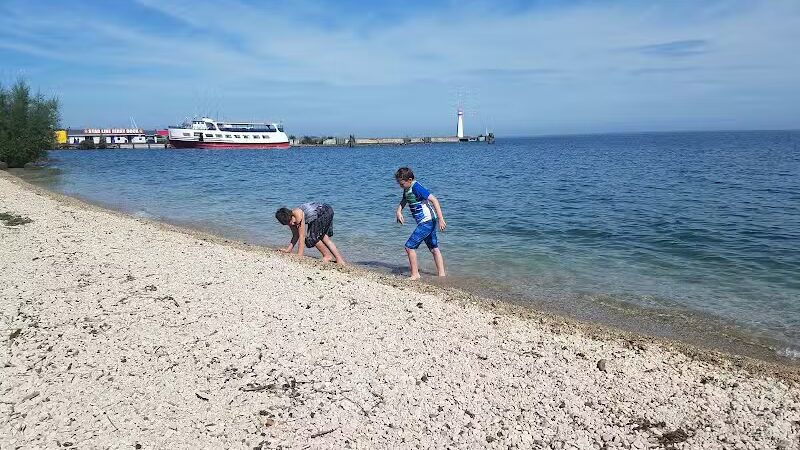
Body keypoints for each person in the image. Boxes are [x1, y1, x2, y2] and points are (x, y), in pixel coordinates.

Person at [394, 167, 446, 279]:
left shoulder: (417, 187)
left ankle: (415, 274)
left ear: (410, 179)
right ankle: (442, 275)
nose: (400, 186)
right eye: (399, 184)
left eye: (402, 184)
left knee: (409, 247)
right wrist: (398, 211)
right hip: (429, 221)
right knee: (434, 248)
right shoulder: (407, 189)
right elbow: (404, 200)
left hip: (427, 222)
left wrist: (441, 219)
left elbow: (434, 200)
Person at [275, 202, 346, 265]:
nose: (292, 224)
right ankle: (340, 260)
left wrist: (299, 255)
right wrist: (288, 250)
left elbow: (301, 236)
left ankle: (327, 256)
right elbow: (295, 235)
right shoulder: (289, 219)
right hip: (322, 213)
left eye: (291, 221)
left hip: (324, 211)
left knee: (311, 239)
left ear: (291, 214)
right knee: (324, 237)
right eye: (289, 223)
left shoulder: (298, 214)